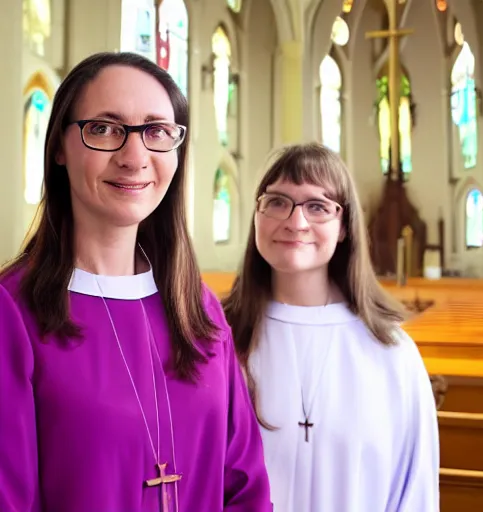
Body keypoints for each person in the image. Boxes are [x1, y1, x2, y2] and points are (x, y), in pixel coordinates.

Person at [0, 51, 272, 512]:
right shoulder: (13, 312)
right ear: (60, 149)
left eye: (156, 132)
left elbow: (245, 485)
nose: (135, 156)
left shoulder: (198, 308)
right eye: (104, 128)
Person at [222, 143, 440, 512]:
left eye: (318, 206)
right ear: (256, 215)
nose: (296, 222)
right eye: (277, 201)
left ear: (343, 227)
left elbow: (415, 488)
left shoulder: (391, 352)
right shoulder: (216, 340)